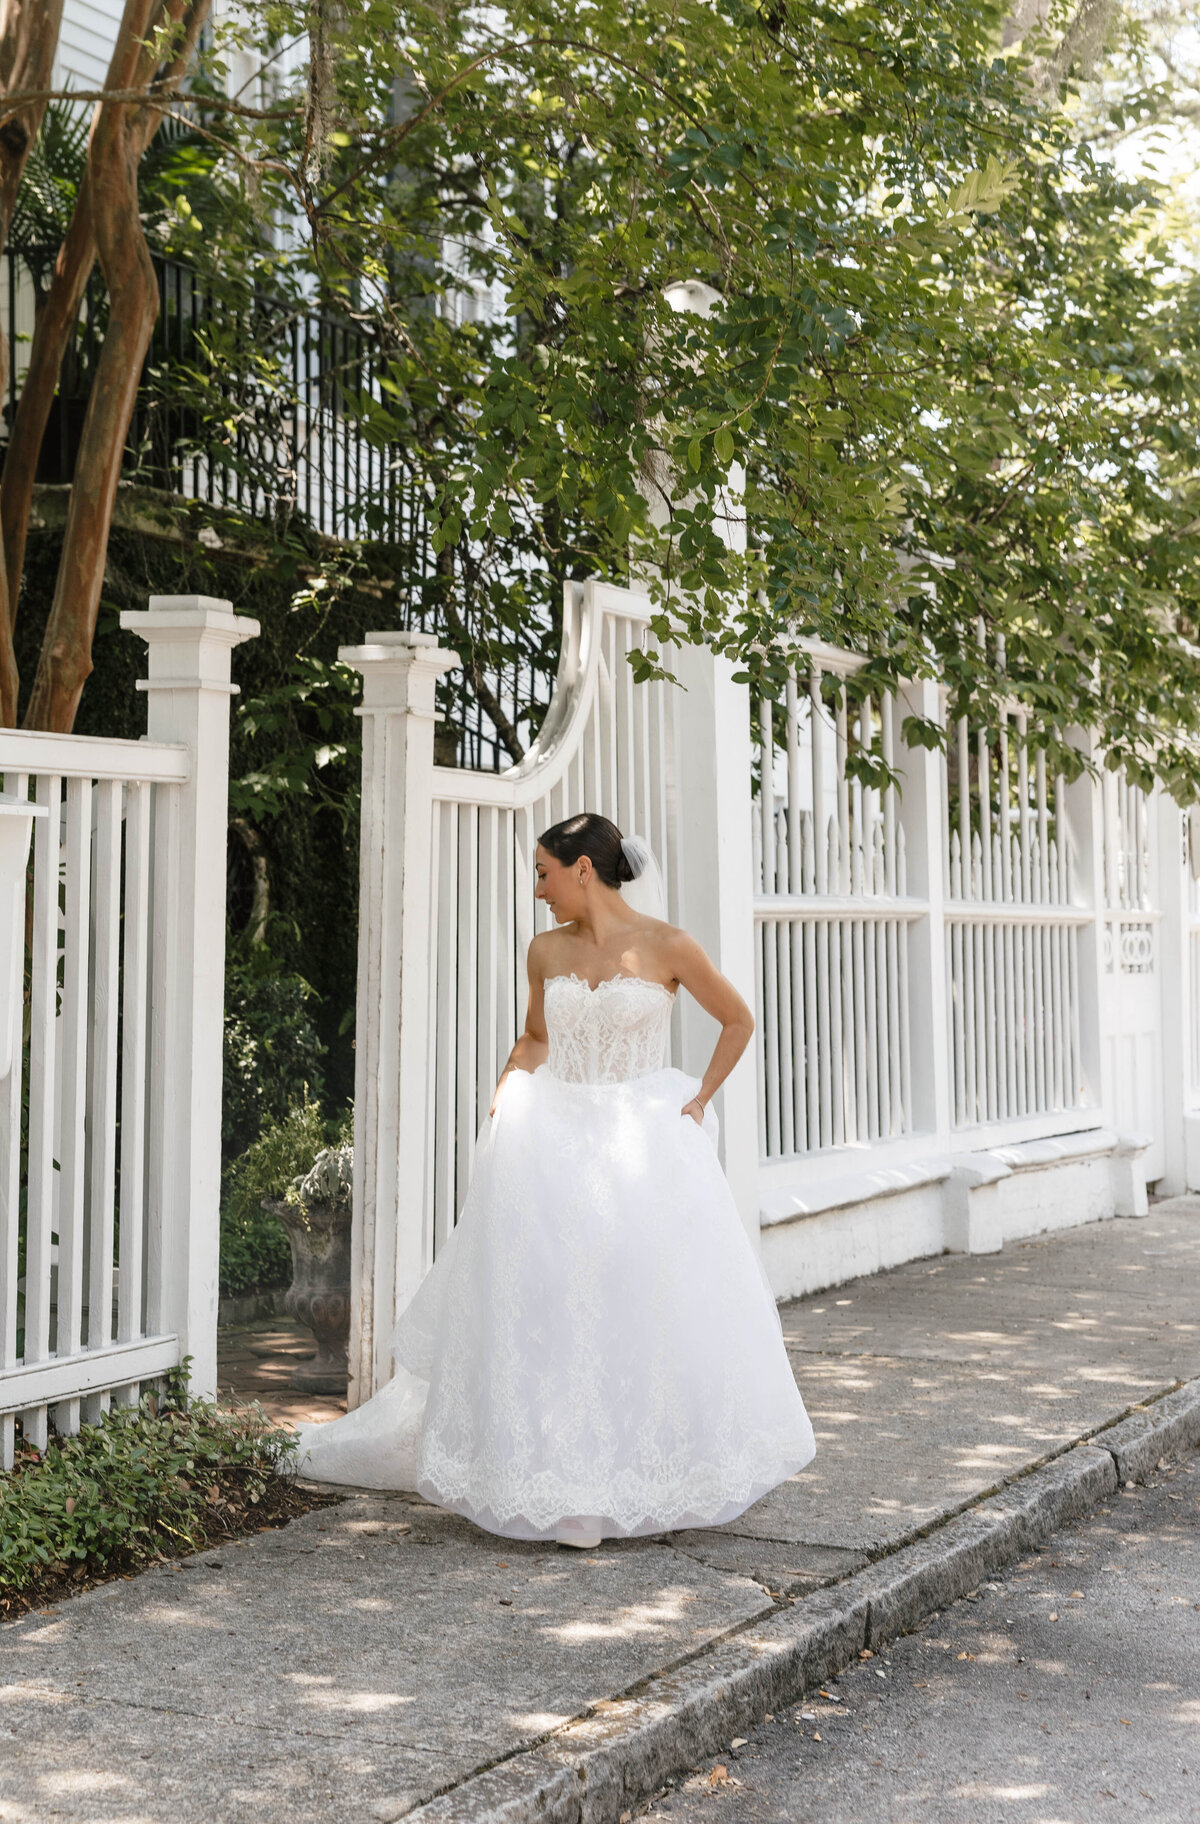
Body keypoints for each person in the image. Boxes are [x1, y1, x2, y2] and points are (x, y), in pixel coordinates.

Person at [293, 812, 815, 1547]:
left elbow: (737, 1019)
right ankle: (564, 1485)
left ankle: (645, 1475)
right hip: (557, 1139)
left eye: (544, 872)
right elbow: (537, 1036)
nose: (537, 889)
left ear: (583, 869)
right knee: (551, 1311)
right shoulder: (543, 950)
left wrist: (698, 1099)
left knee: (638, 1308)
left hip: (642, 1140)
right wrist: (507, 1093)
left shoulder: (668, 945)